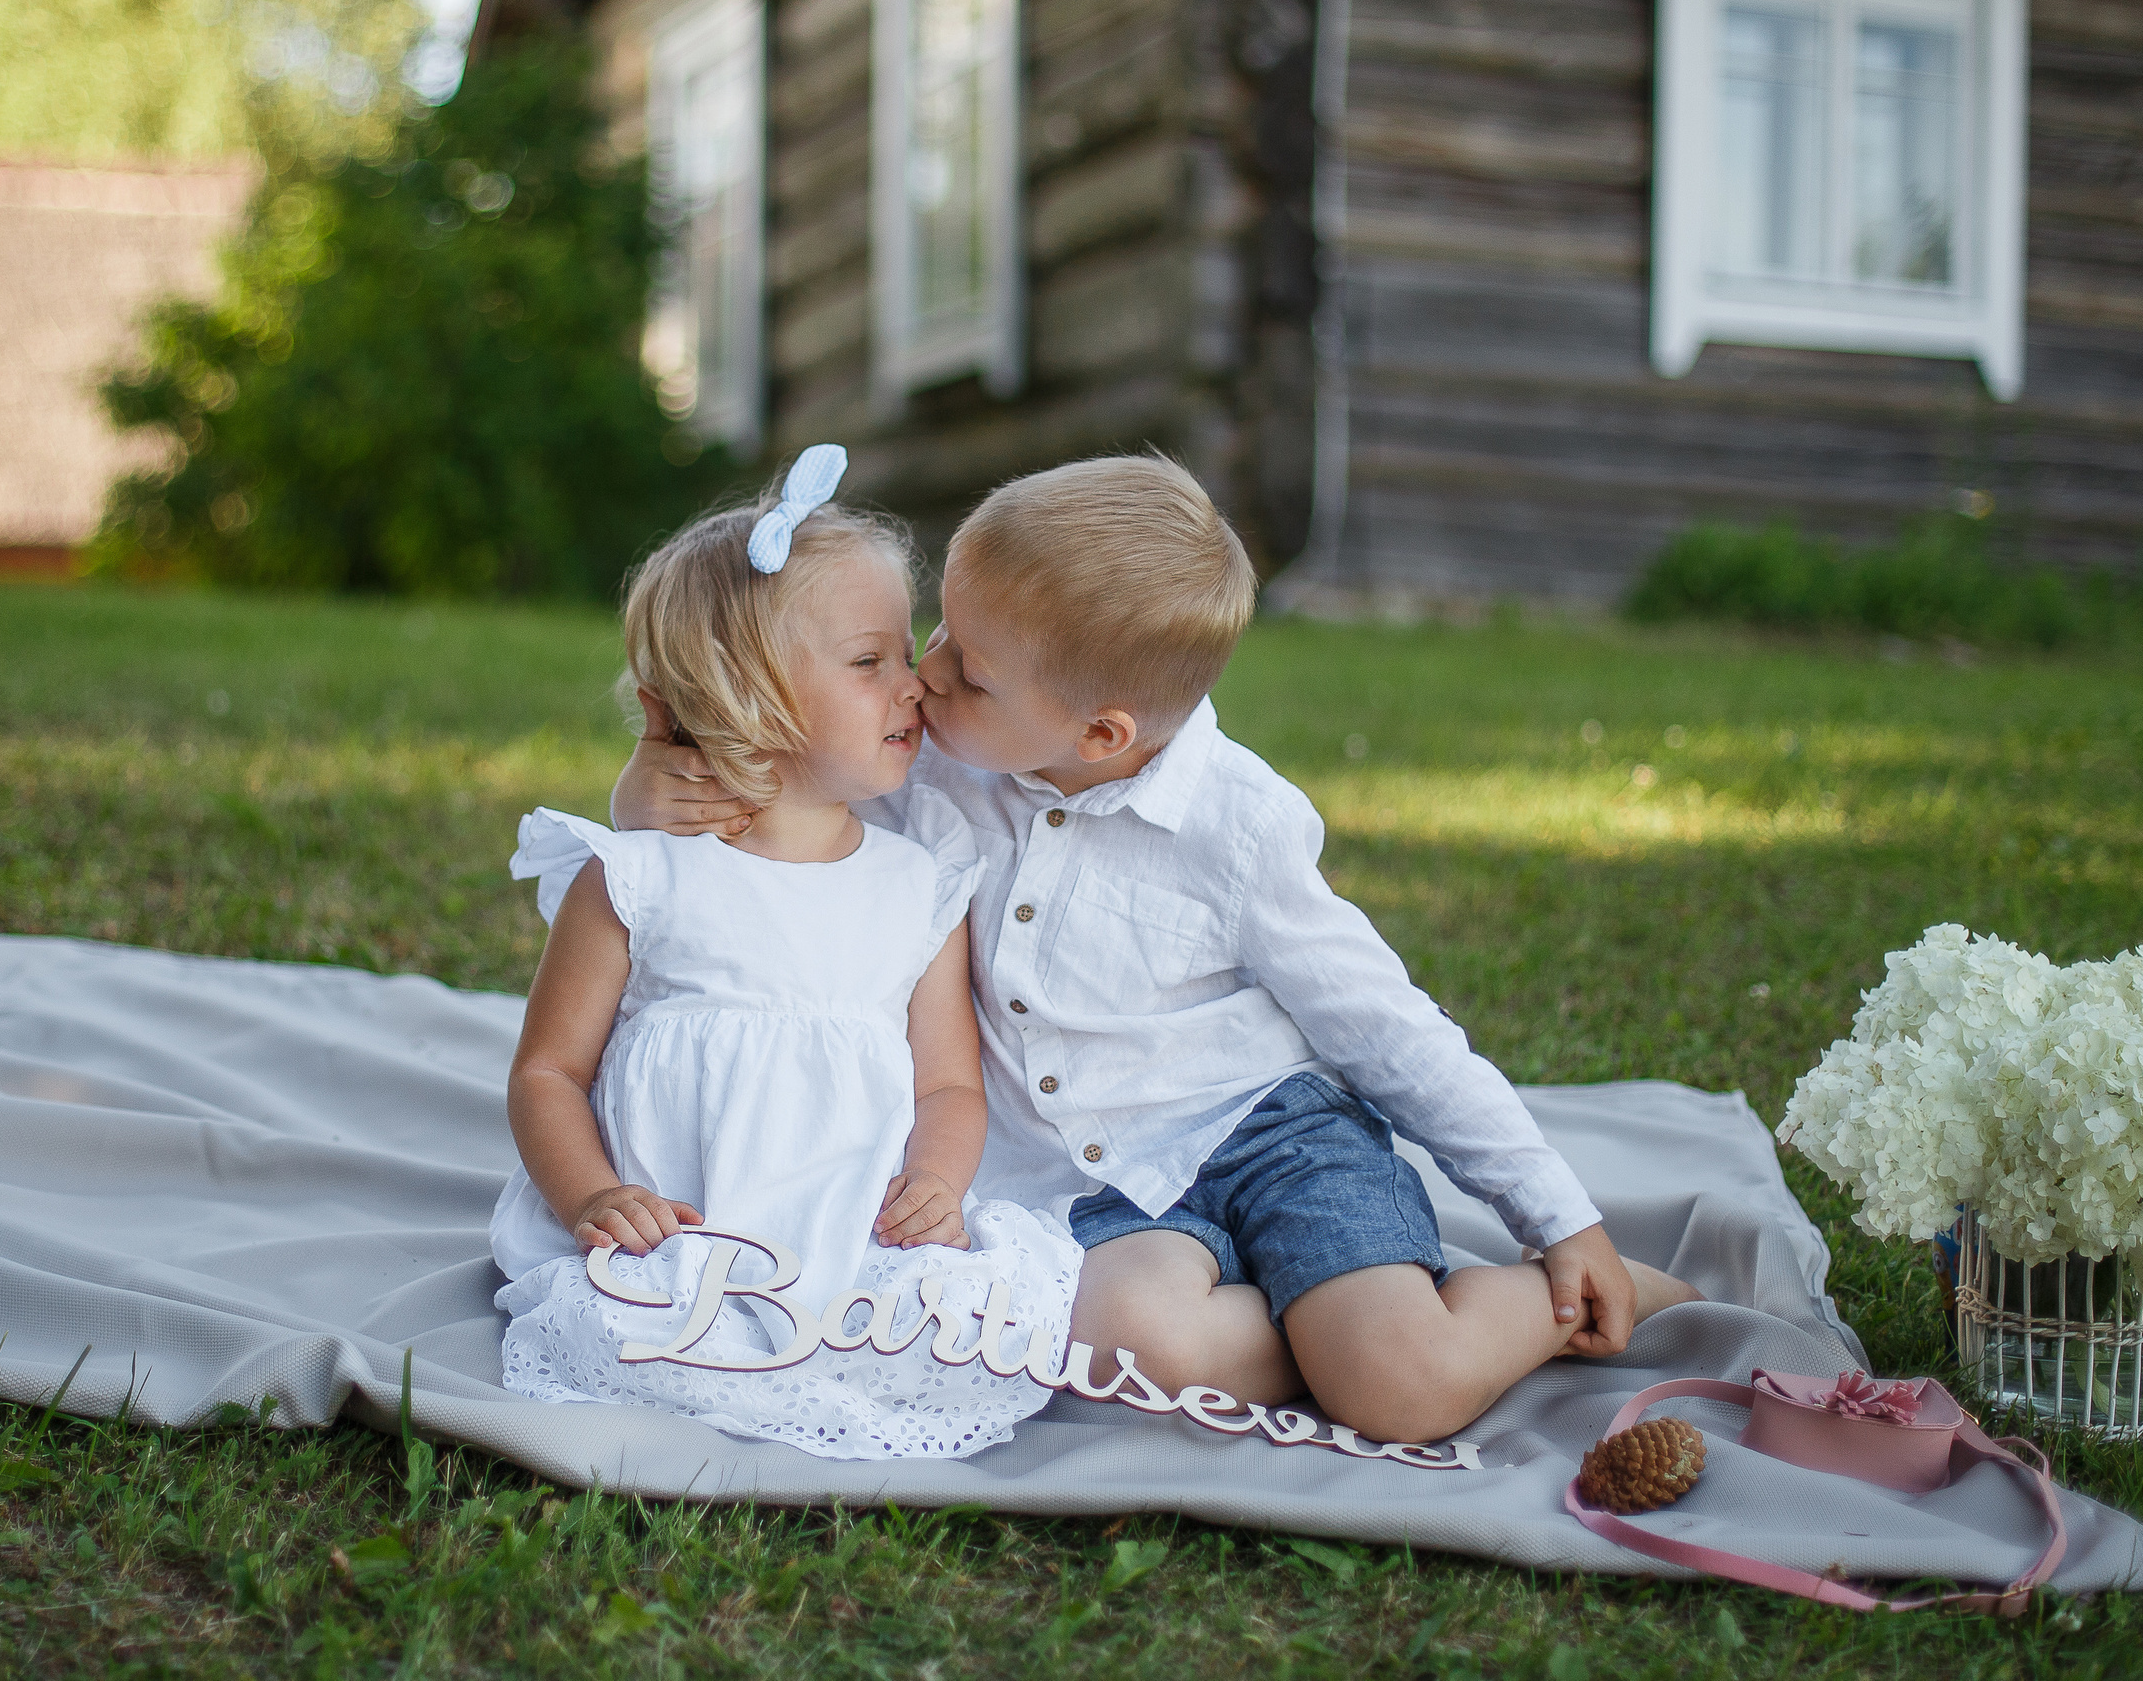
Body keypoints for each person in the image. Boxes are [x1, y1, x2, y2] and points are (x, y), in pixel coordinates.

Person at [614, 453, 1700, 1445]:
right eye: (936, 633)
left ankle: (1560, 1296)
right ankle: (1335, 1315)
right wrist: (645, 794)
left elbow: (1391, 1033)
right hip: (1089, 1181)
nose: (926, 676)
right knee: (1120, 1348)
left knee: (1400, 1393)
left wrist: (1558, 1215)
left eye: (969, 669)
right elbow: (773, 851)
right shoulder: (925, 770)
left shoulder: (1239, 827)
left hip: (1273, 1136)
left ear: (1102, 735)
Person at [489, 447, 1082, 1461]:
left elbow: (947, 1085)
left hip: (852, 1234)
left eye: (906, 653)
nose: (916, 686)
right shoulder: (642, 877)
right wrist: (589, 1194)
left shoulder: (914, 885)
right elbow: (549, 1069)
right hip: (680, 1236)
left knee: (950, 1328)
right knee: (635, 1333)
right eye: (870, 663)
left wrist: (937, 1181)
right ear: (747, 696)